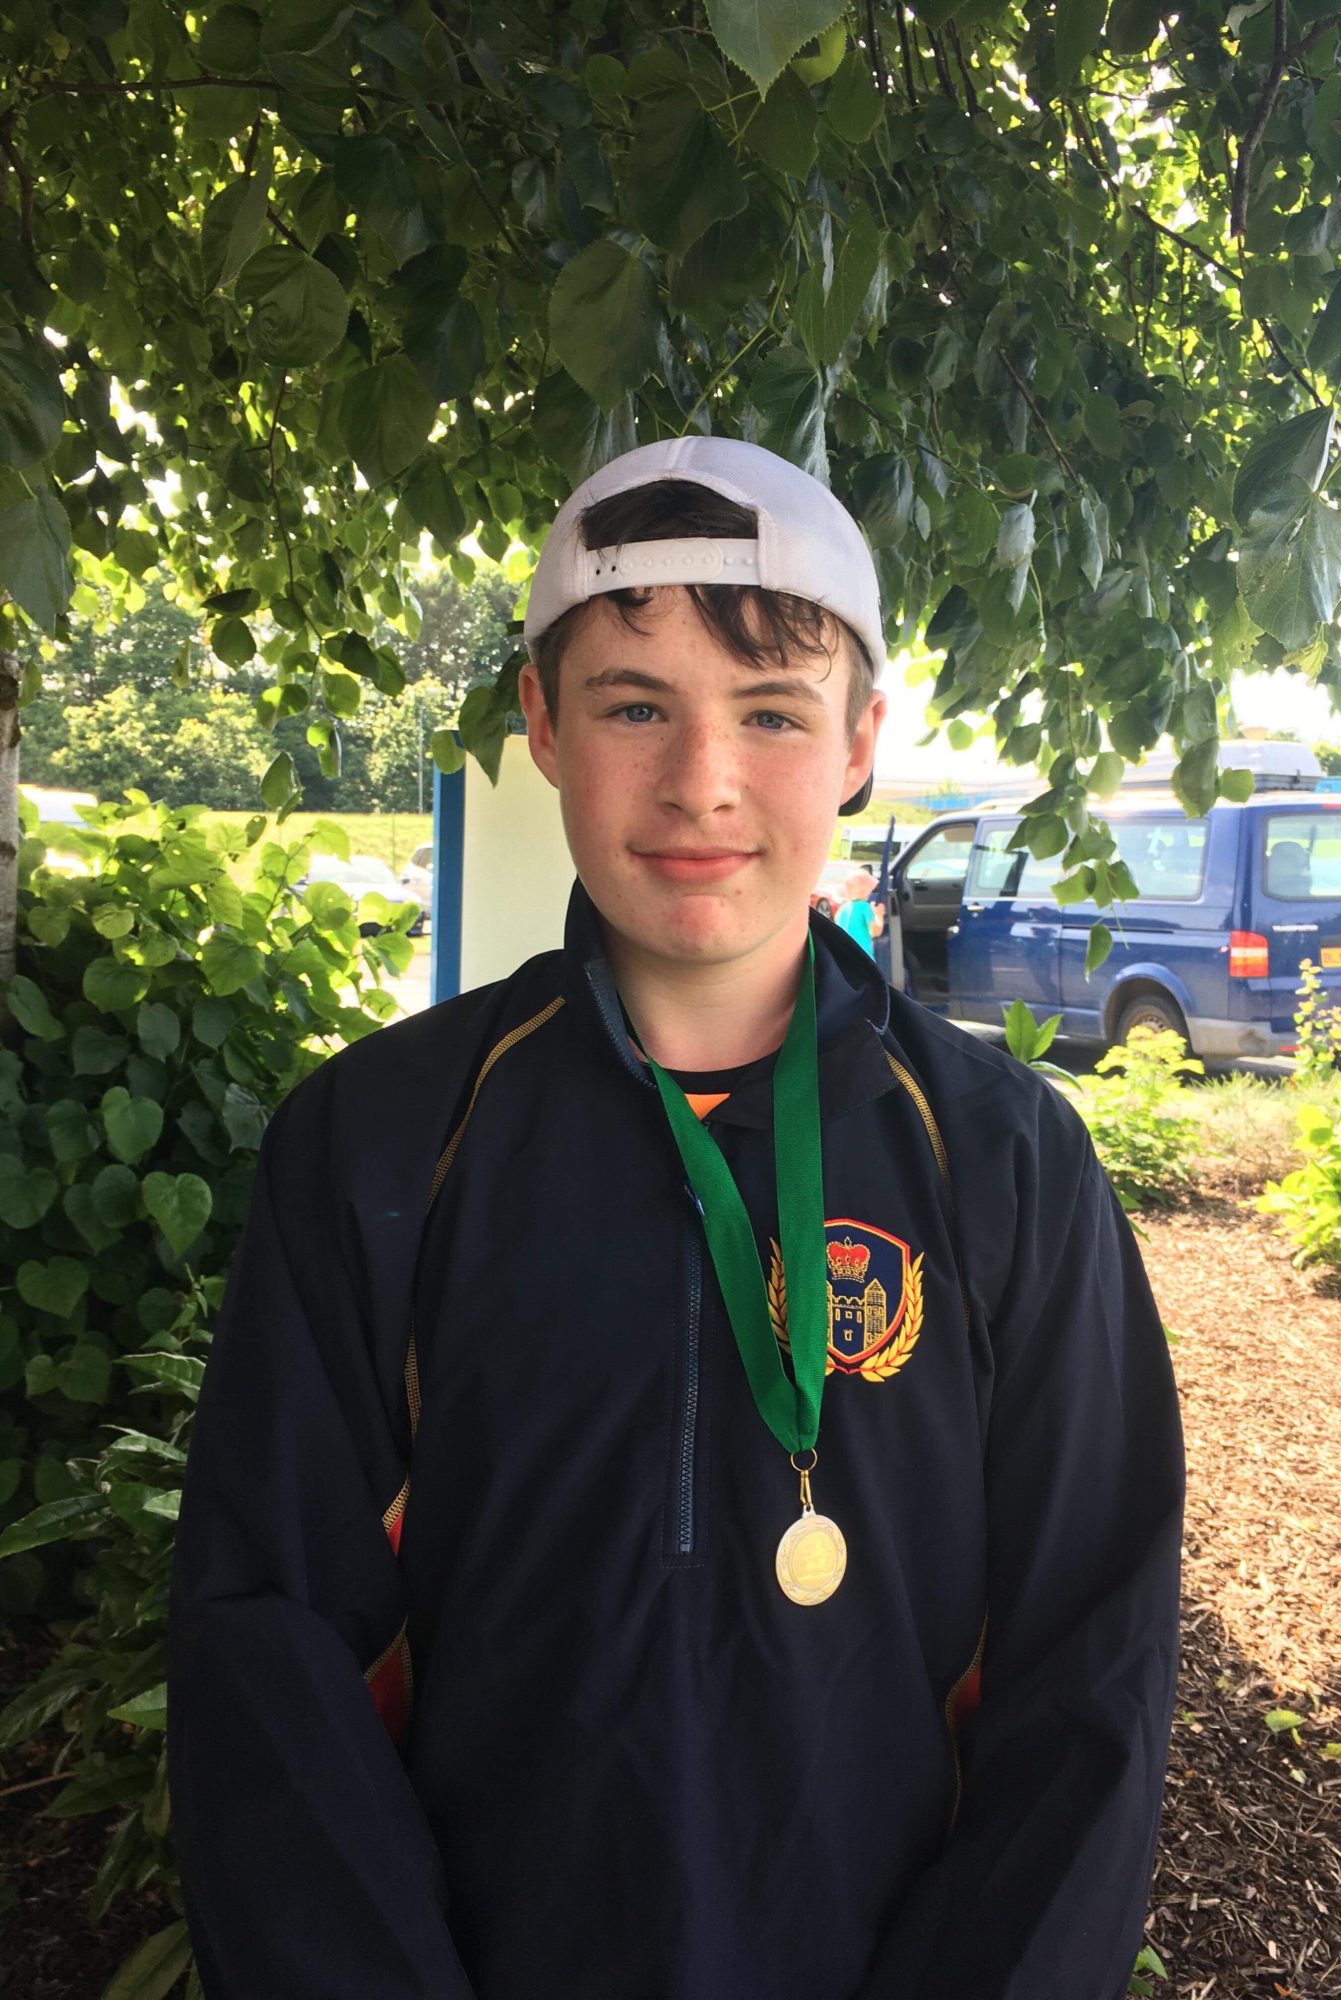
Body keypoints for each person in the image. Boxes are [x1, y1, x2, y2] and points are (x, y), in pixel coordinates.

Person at [166, 434, 1186, 2000]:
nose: (701, 780)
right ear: (540, 721)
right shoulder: (377, 1145)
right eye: (633, 705)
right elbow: (271, 1658)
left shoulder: (1006, 1165)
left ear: (860, 740)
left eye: (770, 711)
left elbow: (1091, 1682)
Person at [833, 866, 884, 957]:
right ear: (866, 890)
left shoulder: (842, 909)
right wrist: (878, 914)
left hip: (844, 955)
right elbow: (875, 932)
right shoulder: (864, 907)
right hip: (862, 954)